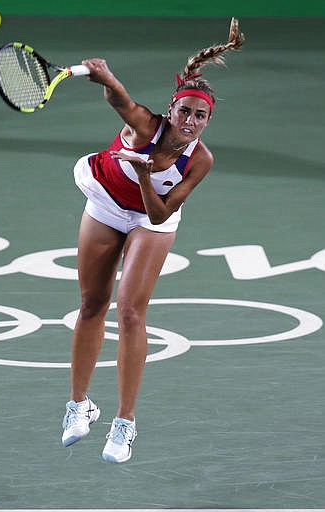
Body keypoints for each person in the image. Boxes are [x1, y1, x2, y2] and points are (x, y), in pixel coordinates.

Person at [61, 18, 244, 463]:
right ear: (171, 109)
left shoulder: (200, 160)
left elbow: (160, 211)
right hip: (105, 199)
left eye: (201, 117)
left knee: (129, 311)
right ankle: (79, 406)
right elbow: (119, 100)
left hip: (152, 217)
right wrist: (105, 76)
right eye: (185, 112)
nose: (191, 122)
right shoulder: (145, 126)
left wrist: (145, 176)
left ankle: (124, 424)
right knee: (91, 304)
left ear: (207, 122)